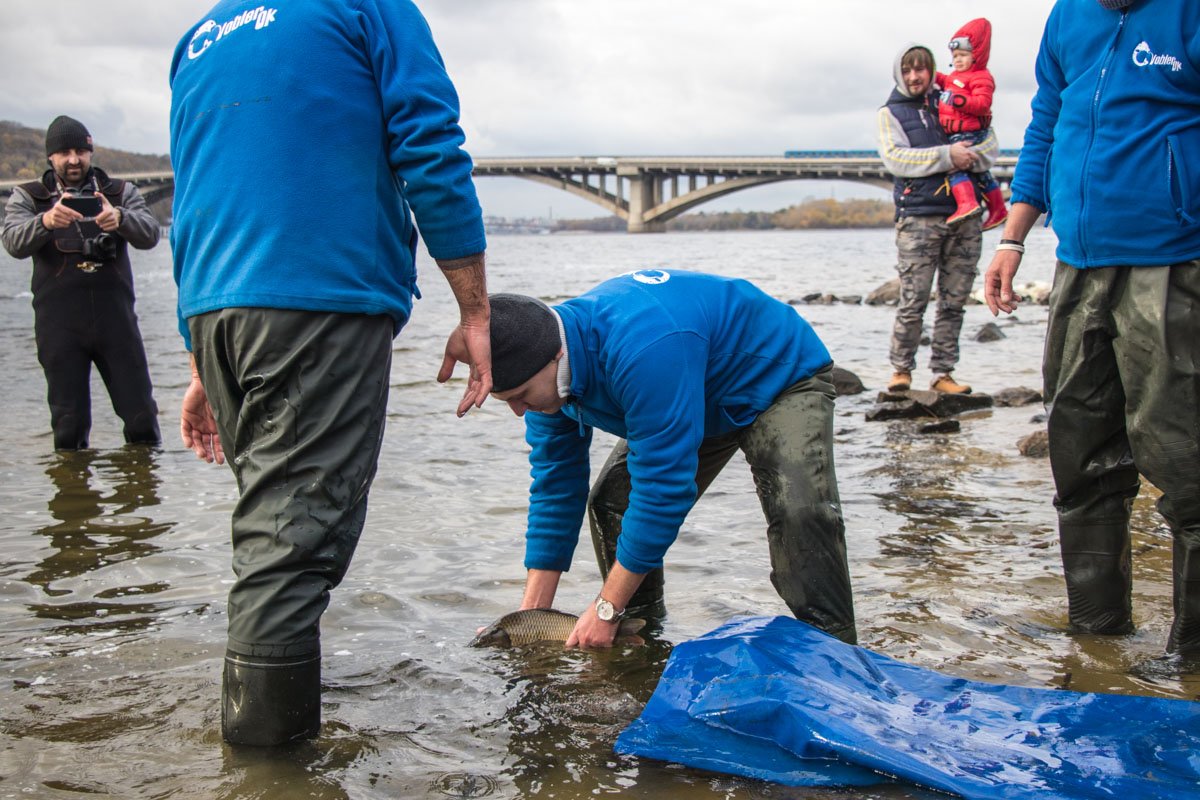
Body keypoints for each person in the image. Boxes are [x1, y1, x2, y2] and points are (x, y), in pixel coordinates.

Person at [169, 0, 491, 746]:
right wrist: (473, 309)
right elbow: (430, 146)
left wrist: (197, 356)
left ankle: (255, 752)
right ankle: (268, 767)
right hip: (318, 301)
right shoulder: (370, 8)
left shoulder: (202, 35)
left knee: (271, 539)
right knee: (292, 548)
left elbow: (195, 198)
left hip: (220, 312)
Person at [440, 270, 857, 649]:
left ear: (554, 360)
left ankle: (834, 648)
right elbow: (555, 491)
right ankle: (640, 639)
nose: (517, 411)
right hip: (692, 393)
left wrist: (604, 605)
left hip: (778, 374)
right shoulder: (546, 380)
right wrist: (526, 620)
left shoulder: (640, 351)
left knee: (801, 509)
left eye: (518, 397)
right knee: (612, 503)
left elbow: (663, 491)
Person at [983, 0, 1200, 656]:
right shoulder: (1068, 16)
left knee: (1186, 467)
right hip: (1077, 259)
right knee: (1080, 461)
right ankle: (1096, 640)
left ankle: (1191, 663)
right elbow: (1048, 119)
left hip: (1172, 261)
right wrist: (1014, 237)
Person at [1, 116, 162, 450]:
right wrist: (46, 221)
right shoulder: (29, 197)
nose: (73, 159)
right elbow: (13, 242)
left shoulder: (120, 192)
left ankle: (142, 494)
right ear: (50, 157)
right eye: (64, 152)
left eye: (80, 151)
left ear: (91, 152)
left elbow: (150, 235)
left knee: (142, 419)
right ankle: (76, 497)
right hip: (59, 329)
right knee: (68, 428)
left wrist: (120, 218)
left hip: (116, 324)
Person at [878, 43, 998, 395]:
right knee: (913, 300)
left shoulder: (957, 99)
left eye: (921, 69)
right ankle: (901, 370)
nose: (915, 76)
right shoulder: (890, 113)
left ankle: (943, 373)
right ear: (900, 73)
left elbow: (989, 148)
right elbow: (897, 159)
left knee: (954, 302)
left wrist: (968, 157)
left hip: (967, 218)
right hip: (918, 219)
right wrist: (949, 155)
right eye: (908, 70)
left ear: (931, 70)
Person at [936, 18, 1008, 230]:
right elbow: (944, 80)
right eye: (955, 56)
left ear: (976, 55)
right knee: (981, 174)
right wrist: (928, 71)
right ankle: (998, 209)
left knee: (954, 165)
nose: (958, 60)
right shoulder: (956, 77)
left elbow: (982, 104)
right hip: (960, 132)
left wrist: (957, 100)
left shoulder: (980, 77)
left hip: (967, 133)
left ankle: (967, 203)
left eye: (963, 55)